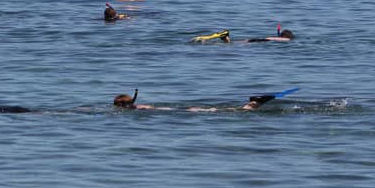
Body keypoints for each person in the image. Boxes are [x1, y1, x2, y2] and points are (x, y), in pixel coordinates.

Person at [113, 89, 295, 111]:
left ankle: (252, 104)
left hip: (185, 112)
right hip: (184, 111)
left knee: (228, 112)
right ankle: (253, 104)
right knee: (227, 112)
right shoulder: (137, 107)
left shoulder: (137, 109)